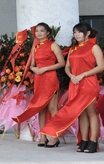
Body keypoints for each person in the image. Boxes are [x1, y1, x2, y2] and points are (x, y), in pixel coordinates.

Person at [41, 23, 104, 152]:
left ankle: (93, 141)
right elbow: (67, 67)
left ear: (88, 33)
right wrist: (71, 76)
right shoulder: (73, 49)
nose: (77, 34)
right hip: (75, 84)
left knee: (91, 112)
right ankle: (84, 140)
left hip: (89, 83)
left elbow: (101, 67)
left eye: (79, 32)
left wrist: (83, 75)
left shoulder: (94, 47)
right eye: (75, 32)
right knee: (80, 113)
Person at [12, 23, 65, 146]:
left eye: (42, 31)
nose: (39, 33)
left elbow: (61, 63)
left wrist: (46, 68)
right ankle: (42, 137)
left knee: (52, 108)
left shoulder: (53, 45)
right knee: (40, 108)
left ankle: (55, 137)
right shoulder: (35, 47)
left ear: (48, 33)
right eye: (37, 31)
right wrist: (34, 69)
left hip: (50, 78)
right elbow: (32, 65)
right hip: (39, 79)